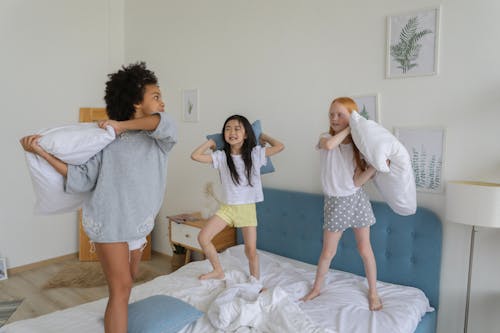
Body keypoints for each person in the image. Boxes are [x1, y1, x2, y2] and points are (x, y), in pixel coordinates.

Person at [20, 62, 177, 332]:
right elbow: (80, 177)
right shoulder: (104, 140)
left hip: (138, 222)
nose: (162, 102)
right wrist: (42, 153)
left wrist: (119, 125)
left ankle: (118, 320)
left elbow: (160, 122)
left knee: (128, 281)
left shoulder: (159, 137)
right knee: (121, 287)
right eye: (156, 97)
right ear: (135, 102)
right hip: (109, 221)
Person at [301, 97, 383, 311]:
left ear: (351, 117)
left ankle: (373, 292)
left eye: (340, 114)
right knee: (328, 252)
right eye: (331, 114)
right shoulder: (325, 137)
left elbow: (357, 182)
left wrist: (375, 167)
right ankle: (317, 288)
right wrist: (352, 126)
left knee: (365, 249)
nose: (334, 118)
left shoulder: (357, 149)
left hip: (356, 200)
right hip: (336, 203)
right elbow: (329, 145)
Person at [191, 115, 284, 281]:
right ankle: (218, 270)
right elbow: (195, 156)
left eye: (237, 128)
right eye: (227, 128)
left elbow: (280, 146)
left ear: (246, 134)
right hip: (228, 208)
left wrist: (262, 136)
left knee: (250, 250)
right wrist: (212, 142)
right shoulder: (221, 156)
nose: (231, 132)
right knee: (203, 238)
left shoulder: (255, 154)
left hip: (246, 209)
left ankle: (255, 280)